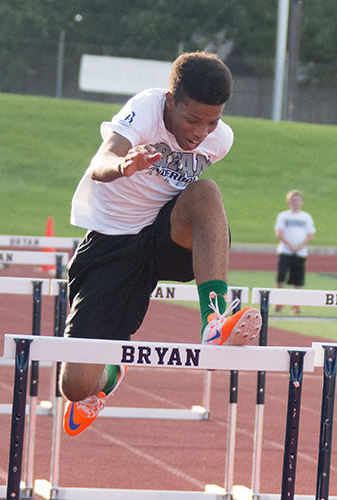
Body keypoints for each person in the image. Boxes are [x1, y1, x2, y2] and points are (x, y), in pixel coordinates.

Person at [61, 52, 261, 436]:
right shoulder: (146, 109)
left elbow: (195, 205)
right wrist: (124, 166)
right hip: (111, 245)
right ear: (171, 101)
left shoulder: (220, 140)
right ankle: (109, 375)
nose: (200, 133)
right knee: (74, 385)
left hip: (163, 238)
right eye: (192, 120)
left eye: (212, 121)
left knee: (206, 193)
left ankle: (214, 320)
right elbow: (102, 160)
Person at [274, 189, 315, 314]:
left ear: (301, 202)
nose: (295, 202)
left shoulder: (306, 217)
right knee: (281, 277)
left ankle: (296, 305)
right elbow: (279, 232)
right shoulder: (283, 216)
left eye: (297, 200)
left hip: (300, 252)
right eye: (293, 200)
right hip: (286, 251)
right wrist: (290, 245)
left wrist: (299, 246)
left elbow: (310, 234)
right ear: (288, 202)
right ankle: (279, 302)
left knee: (298, 279)